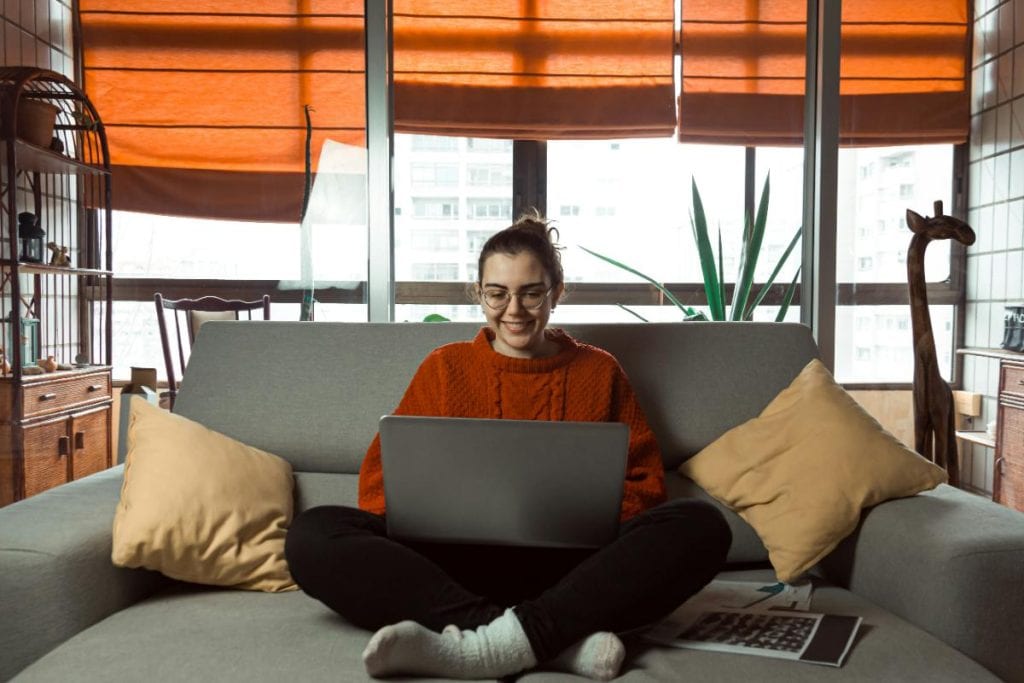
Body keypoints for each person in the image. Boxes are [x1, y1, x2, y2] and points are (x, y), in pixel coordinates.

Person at [285, 212, 732, 681]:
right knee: (312, 535)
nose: (513, 310)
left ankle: (488, 642)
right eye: (497, 293)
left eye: (530, 292)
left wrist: (578, 514)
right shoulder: (445, 368)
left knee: (700, 525)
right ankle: (543, 641)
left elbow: (645, 486)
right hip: (454, 570)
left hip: (572, 572)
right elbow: (380, 484)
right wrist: (437, 512)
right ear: (479, 294)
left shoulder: (600, 372)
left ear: (556, 292)